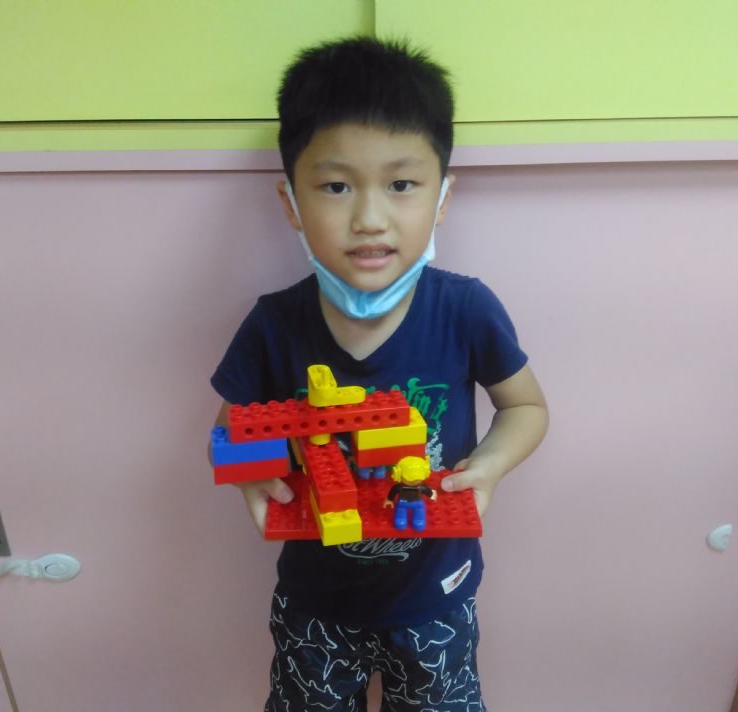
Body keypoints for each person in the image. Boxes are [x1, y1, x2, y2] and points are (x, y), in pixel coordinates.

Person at [210, 36, 548, 712]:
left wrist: (487, 469)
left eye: (401, 184)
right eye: (336, 186)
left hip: (437, 597)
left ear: (442, 196)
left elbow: (526, 407)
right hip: (315, 605)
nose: (369, 218)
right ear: (291, 201)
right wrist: (249, 473)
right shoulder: (274, 324)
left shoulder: (465, 309)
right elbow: (230, 431)